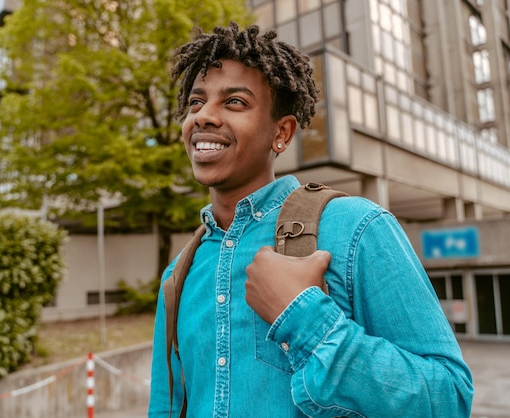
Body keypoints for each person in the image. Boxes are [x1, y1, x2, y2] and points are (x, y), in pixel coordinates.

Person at [149, 22, 473, 417]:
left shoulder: (357, 228)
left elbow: (450, 399)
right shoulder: (177, 275)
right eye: (196, 103)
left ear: (281, 133)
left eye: (234, 102)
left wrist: (304, 317)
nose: (204, 117)